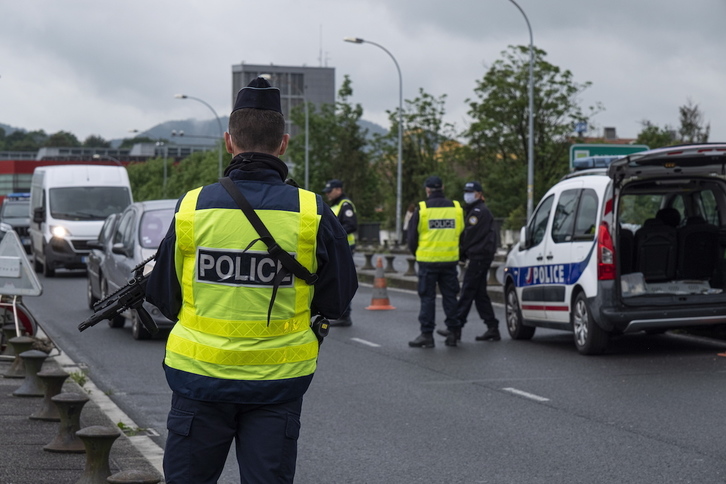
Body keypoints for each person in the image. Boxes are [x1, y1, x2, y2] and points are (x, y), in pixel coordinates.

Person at [145, 76, 358, 484]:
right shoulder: (311, 211)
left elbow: (163, 295)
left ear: (229, 141)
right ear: (284, 143)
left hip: (199, 382)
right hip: (277, 385)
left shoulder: (192, 207)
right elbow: (338, 297)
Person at [437, 181, 500, 343]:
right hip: (481, 255)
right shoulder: (476, 210)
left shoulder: (478, 212)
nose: (467, 194)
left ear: (479, 194)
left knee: (467, 291)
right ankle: (492, 327)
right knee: (479, 295)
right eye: (466, 191)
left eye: (470, 192)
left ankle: (455, 328)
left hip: (479, 256)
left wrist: (460, 253)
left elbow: (469, 236)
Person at [407, 176, 464, 348]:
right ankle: (453, 333)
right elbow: (462, 233)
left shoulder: (422, 209)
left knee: (427, 299)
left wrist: (418, 253)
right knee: (450, 297)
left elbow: (411, 238)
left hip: (428, 262)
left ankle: (427, 335)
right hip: (449, 261)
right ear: (443, 187)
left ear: (427, 190)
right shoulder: (456, 208)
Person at [322, 178, 357, 326]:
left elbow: (351, 225)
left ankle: (345, 315)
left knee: (342, 280)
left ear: (338, 190)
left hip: (345, 247)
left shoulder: (345, 205)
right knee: (337, 280)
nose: (328, 194)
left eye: (330, 191)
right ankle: (342, 314)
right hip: (337, 247)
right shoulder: (335, 205)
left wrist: (334, 235)